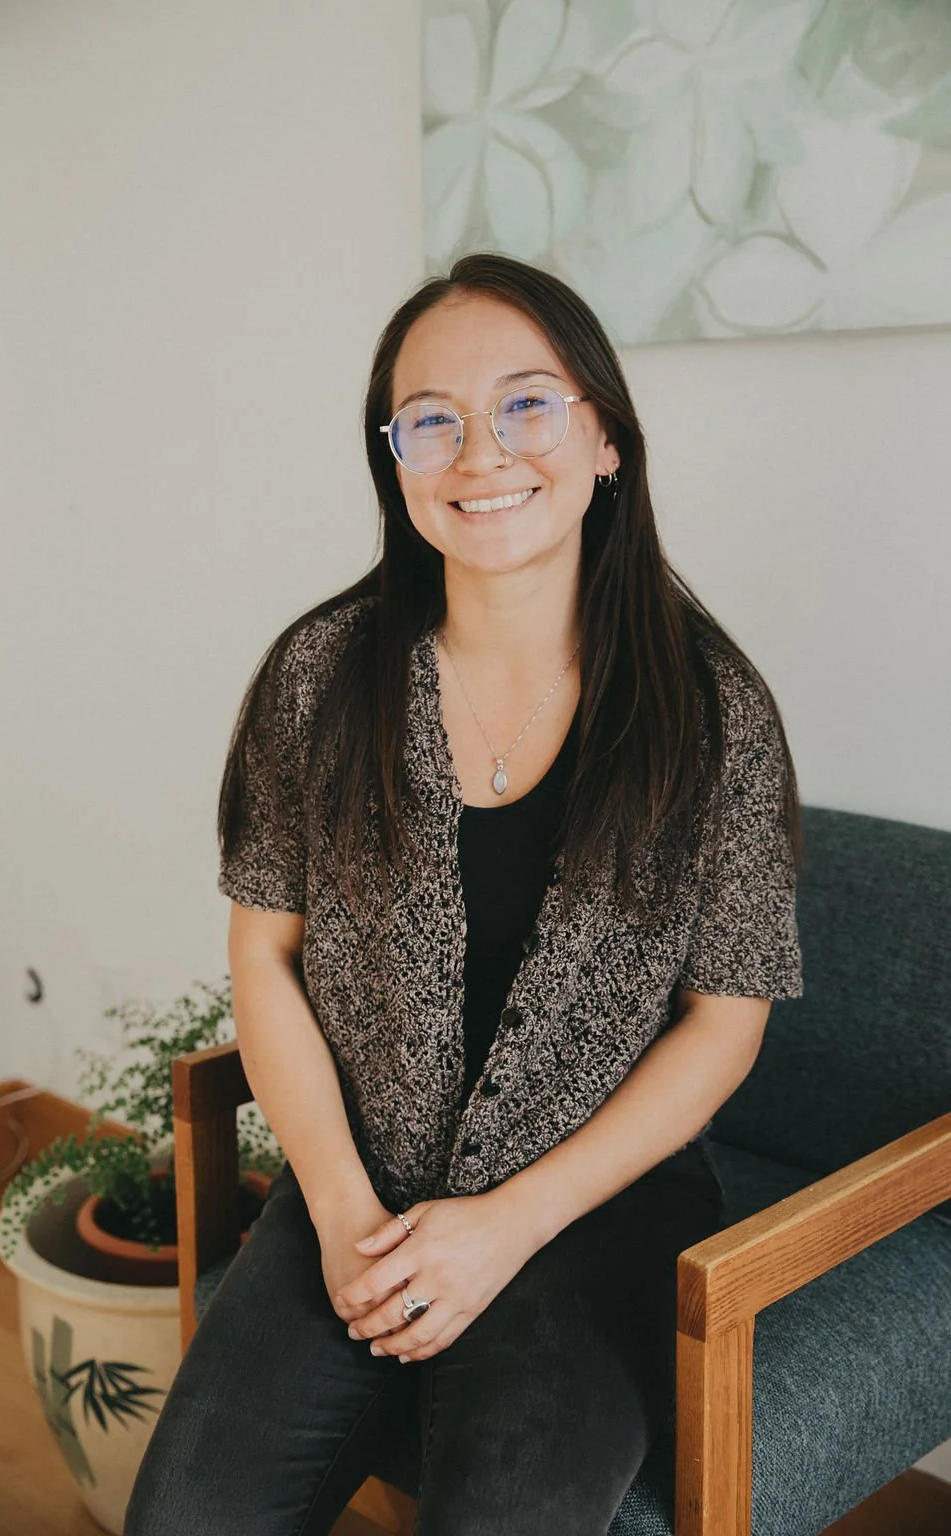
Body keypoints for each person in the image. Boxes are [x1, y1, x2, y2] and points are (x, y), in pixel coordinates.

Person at [124, 252, 803, 1536]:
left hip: (592, 1211)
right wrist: (334, 1214)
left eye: (528, 404)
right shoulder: (321, 677)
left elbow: (727, 1019)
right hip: (355, 1186)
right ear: (395, 460)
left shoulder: (713, 713)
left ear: (606, 439)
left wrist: (503, 1225)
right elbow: (263, 958)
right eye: (430, 418)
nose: (480, 452)